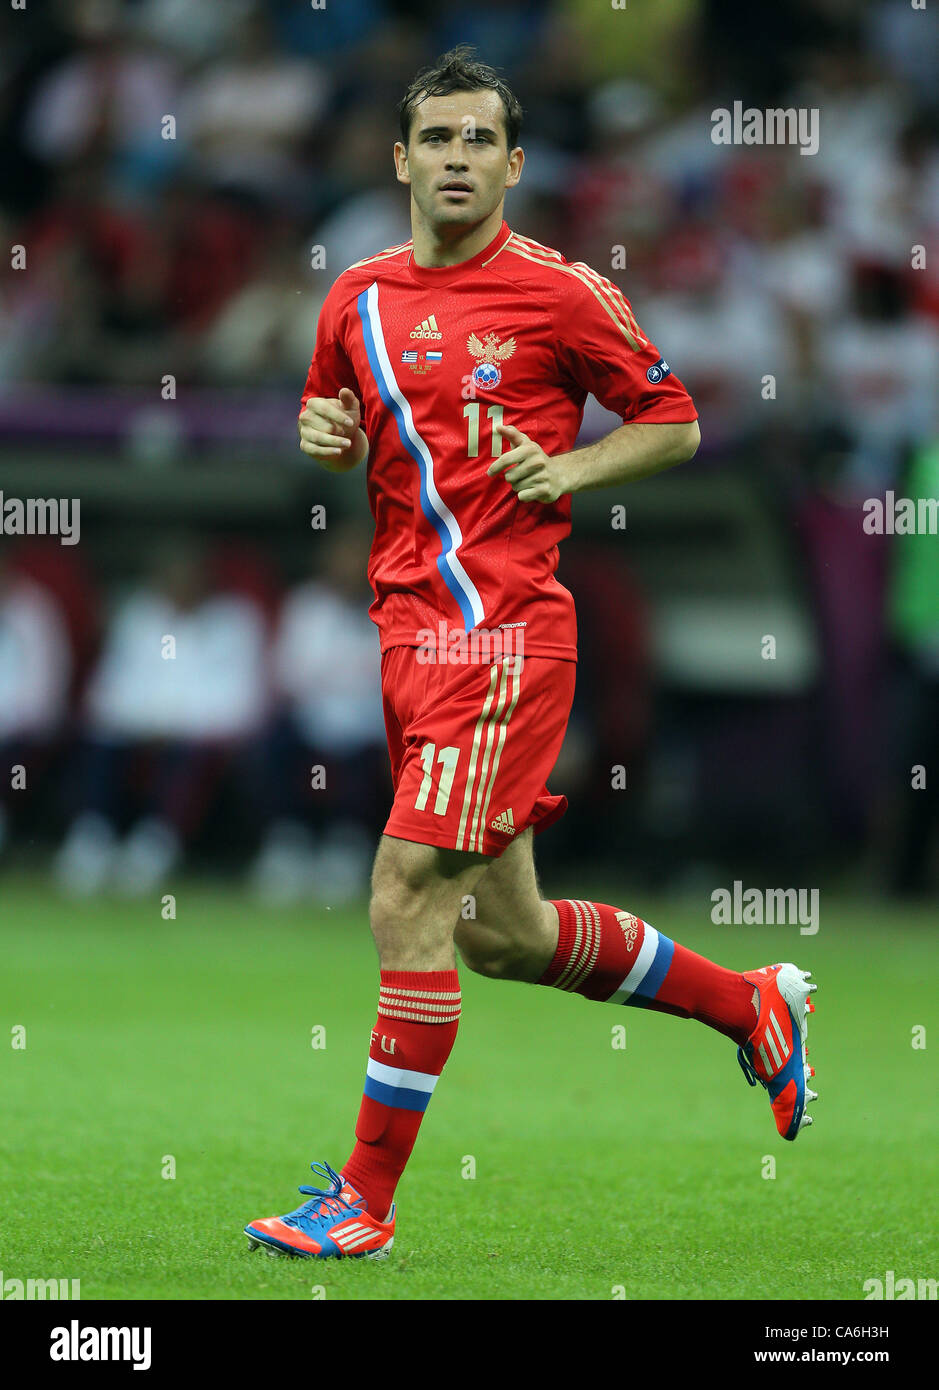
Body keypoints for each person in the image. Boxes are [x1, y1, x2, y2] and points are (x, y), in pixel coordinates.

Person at [245, 46, 817, 1262]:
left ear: (513, 162)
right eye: (437, 140)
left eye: (481, 141)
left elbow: (674, 420)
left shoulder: (562, 294)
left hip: (501, 637)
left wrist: (569, 467)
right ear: (401, 160)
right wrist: (322, 438)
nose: (458, 160)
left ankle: (364, 1201)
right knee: (505, 935)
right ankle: (748, 1000)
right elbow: (340, 428)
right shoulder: (354, 298)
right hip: (405, 635)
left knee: (405, 896)